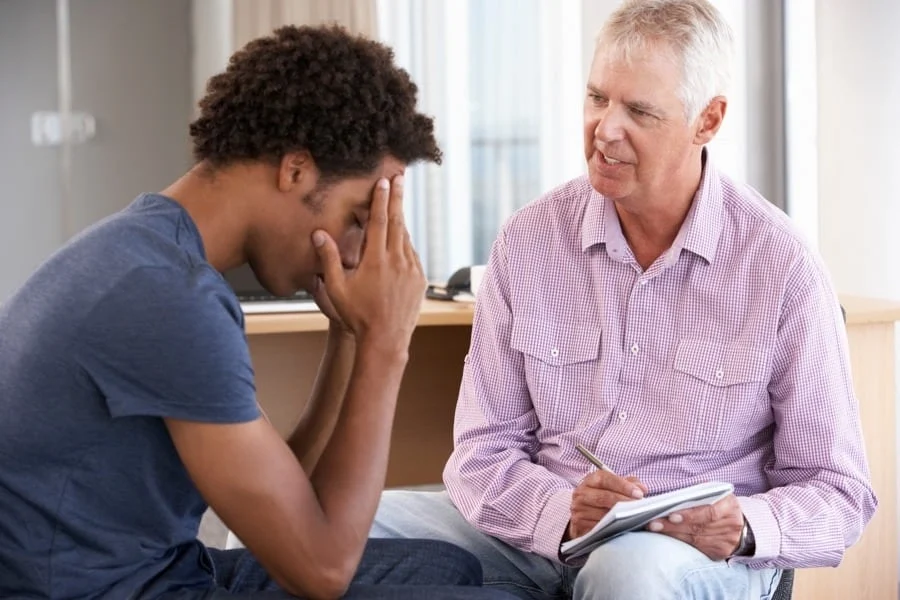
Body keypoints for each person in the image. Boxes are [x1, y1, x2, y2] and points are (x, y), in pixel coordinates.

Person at [371, 1, 877, 598]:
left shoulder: (781, 266)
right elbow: (482, 452)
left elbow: (838, 493)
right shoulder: (528, 241)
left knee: (625, 573)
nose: (605, 128)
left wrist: (743, 526)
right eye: (596, 98)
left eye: (638, 110)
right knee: (333, 528)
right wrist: (563, 511)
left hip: (692, 557)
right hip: (542, 536)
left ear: (707, 120)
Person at [0, 25, 516, 600]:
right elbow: (320, 570)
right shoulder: (169, 299)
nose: (352, 252)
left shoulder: (150, 250)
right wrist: (385, 343)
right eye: (356, 218)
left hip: (159, 571)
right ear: (296, 170)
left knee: (450, 569)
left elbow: (288, 502)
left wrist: (347, 335)